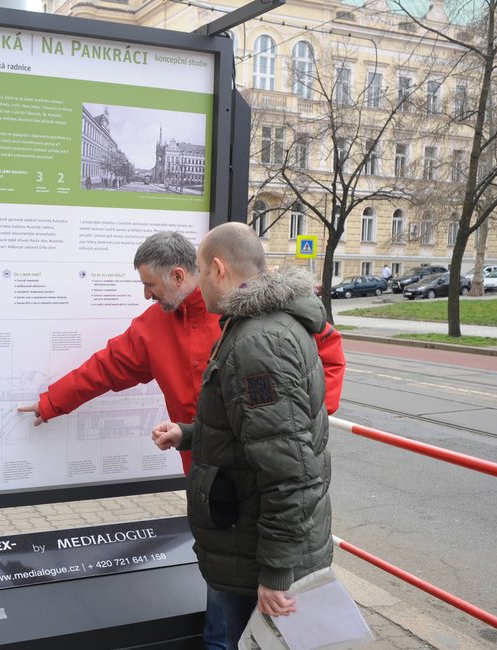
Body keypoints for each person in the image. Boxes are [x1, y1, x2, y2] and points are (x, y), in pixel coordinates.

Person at [18, 231, 344, 477]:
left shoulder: (254, 311)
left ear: (177, 275)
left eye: (150, 285)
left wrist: (306, 419)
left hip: (263, 469)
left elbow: (328, 353)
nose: (146, 295)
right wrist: (52, 402)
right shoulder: (152, 326)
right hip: (200, 469)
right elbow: (105, 368)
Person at [152, 222, 332, 649]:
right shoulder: (258, 326)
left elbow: (289, 469)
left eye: (198, 269)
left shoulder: (259, 343)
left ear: (217, 269)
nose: (198, 285)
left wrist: (275, 574)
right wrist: (190, 434)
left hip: (257, 555)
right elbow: (259, 429)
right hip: (247, 542)